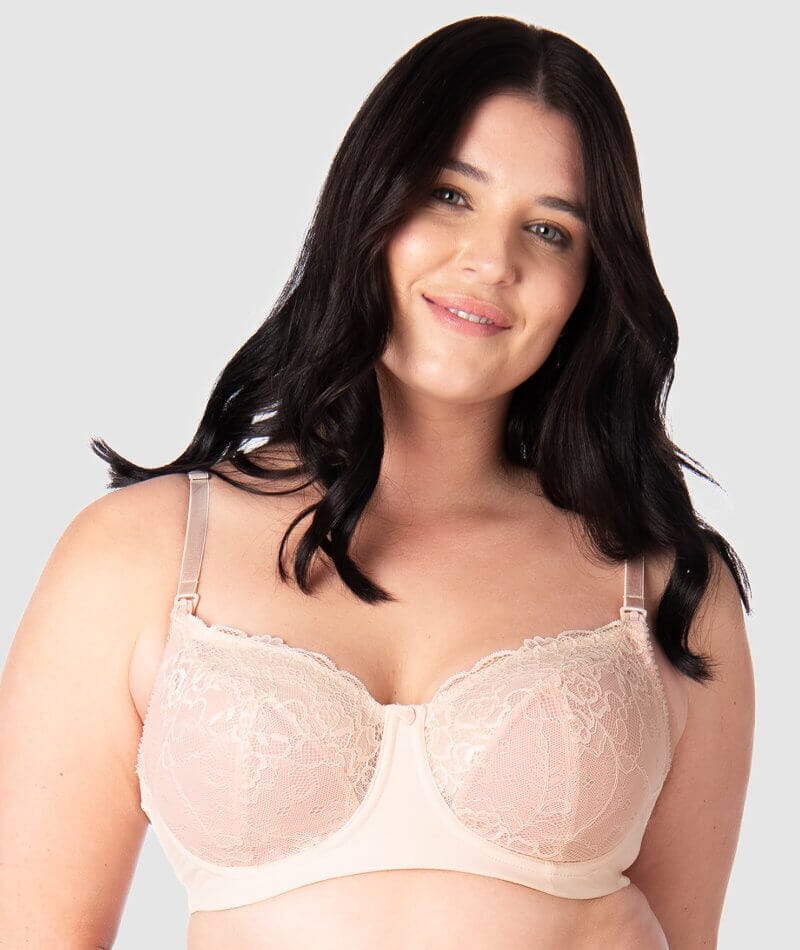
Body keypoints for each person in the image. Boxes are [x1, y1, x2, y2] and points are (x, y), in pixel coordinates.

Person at [0, 15, 754, 950]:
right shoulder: (143, 556)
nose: (493, 261)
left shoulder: (667, 590)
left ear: (590, 284)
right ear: (370, 203)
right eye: (450, 194)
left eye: (549, 230)